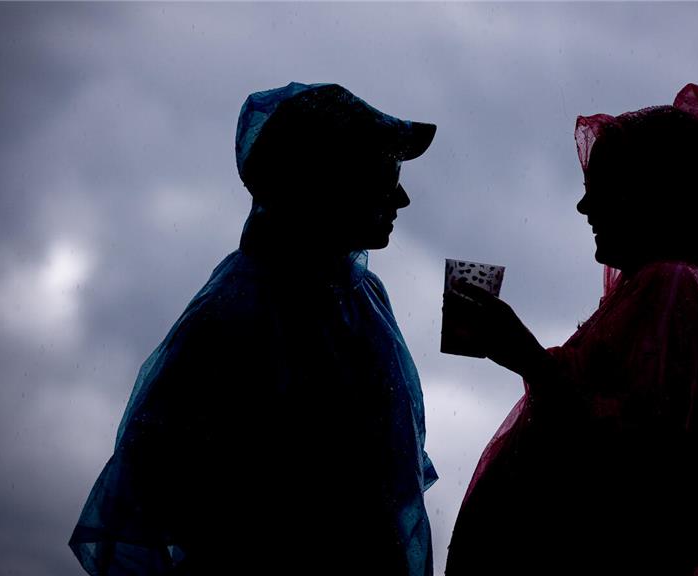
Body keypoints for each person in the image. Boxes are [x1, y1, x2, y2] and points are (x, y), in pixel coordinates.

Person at [69, 82, 439, 575]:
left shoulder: (363, 300)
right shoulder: (233, 318)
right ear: (327, 181)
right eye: (384, 174)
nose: (403, 198)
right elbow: (153, 485)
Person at [444, 84, 698, 575]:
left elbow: (633, 455)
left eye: (604, 187)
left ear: (651, 196)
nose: (585, 208)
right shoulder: (656, 291)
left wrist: (524, 354)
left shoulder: (671, 288)